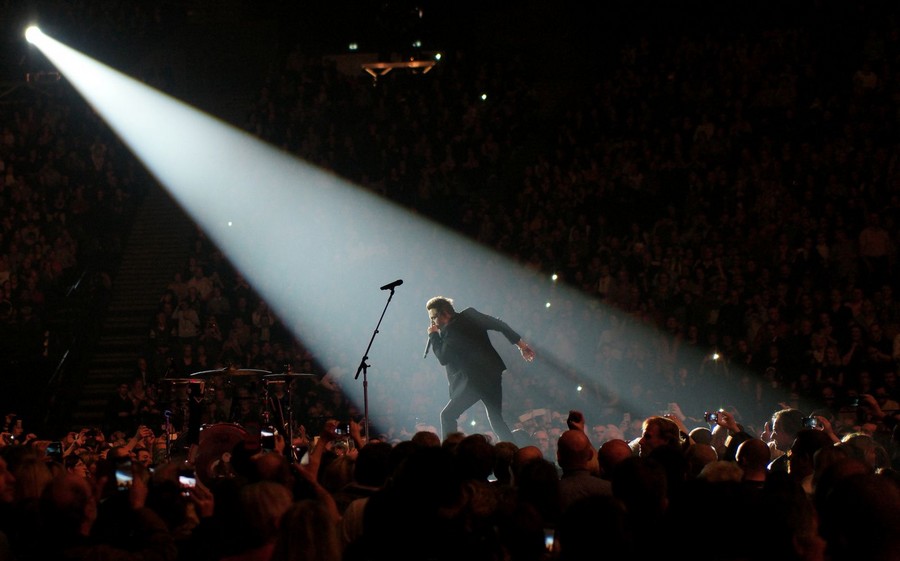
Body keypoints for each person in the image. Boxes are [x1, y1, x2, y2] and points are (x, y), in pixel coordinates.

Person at [425, 296, 535, 443]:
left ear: (444, 313)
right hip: (492, 375)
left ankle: (449, 451)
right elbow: (499, 324)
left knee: (448, 416)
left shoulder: (451, 331)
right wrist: (521, 345)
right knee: (496, 418)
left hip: (474, 382)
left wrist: (433, 336)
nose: (433, 323)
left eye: (433, 317)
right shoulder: (470, 315)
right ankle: (512, 450)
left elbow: (443, 358)